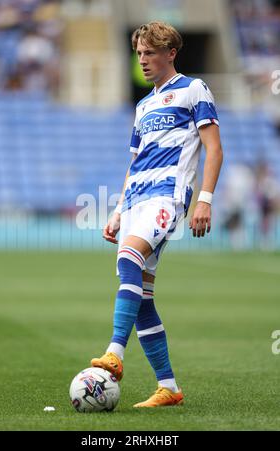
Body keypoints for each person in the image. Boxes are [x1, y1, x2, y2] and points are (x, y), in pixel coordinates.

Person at [91, 21, 223, 407]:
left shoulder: (193, 89)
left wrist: (205, 199)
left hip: (167, 196)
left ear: (170, 53)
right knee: (143, 297)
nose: (143, 60)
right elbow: (134, 162)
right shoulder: (143, 105)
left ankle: (115, 351)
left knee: (129, 257)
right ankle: (169, 387)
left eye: (150, 53)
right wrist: (118, 209)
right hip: (136, 199)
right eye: (139, 54)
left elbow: (213, 148)